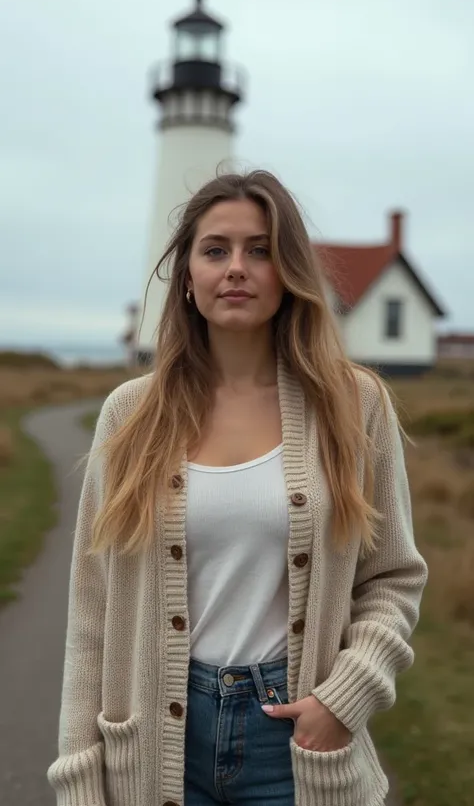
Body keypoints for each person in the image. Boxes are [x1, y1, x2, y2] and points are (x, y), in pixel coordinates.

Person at [47, 170, 428, 806]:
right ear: (187, 276)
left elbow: (393, 576)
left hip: (296, 739)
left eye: (260, 250)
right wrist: (80, 777)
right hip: (152, 744)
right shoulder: (130, 414)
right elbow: (93, 612)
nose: (236, 268)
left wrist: (345, 698)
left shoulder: (354, 405)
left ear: (289, 272)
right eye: (215, 250)